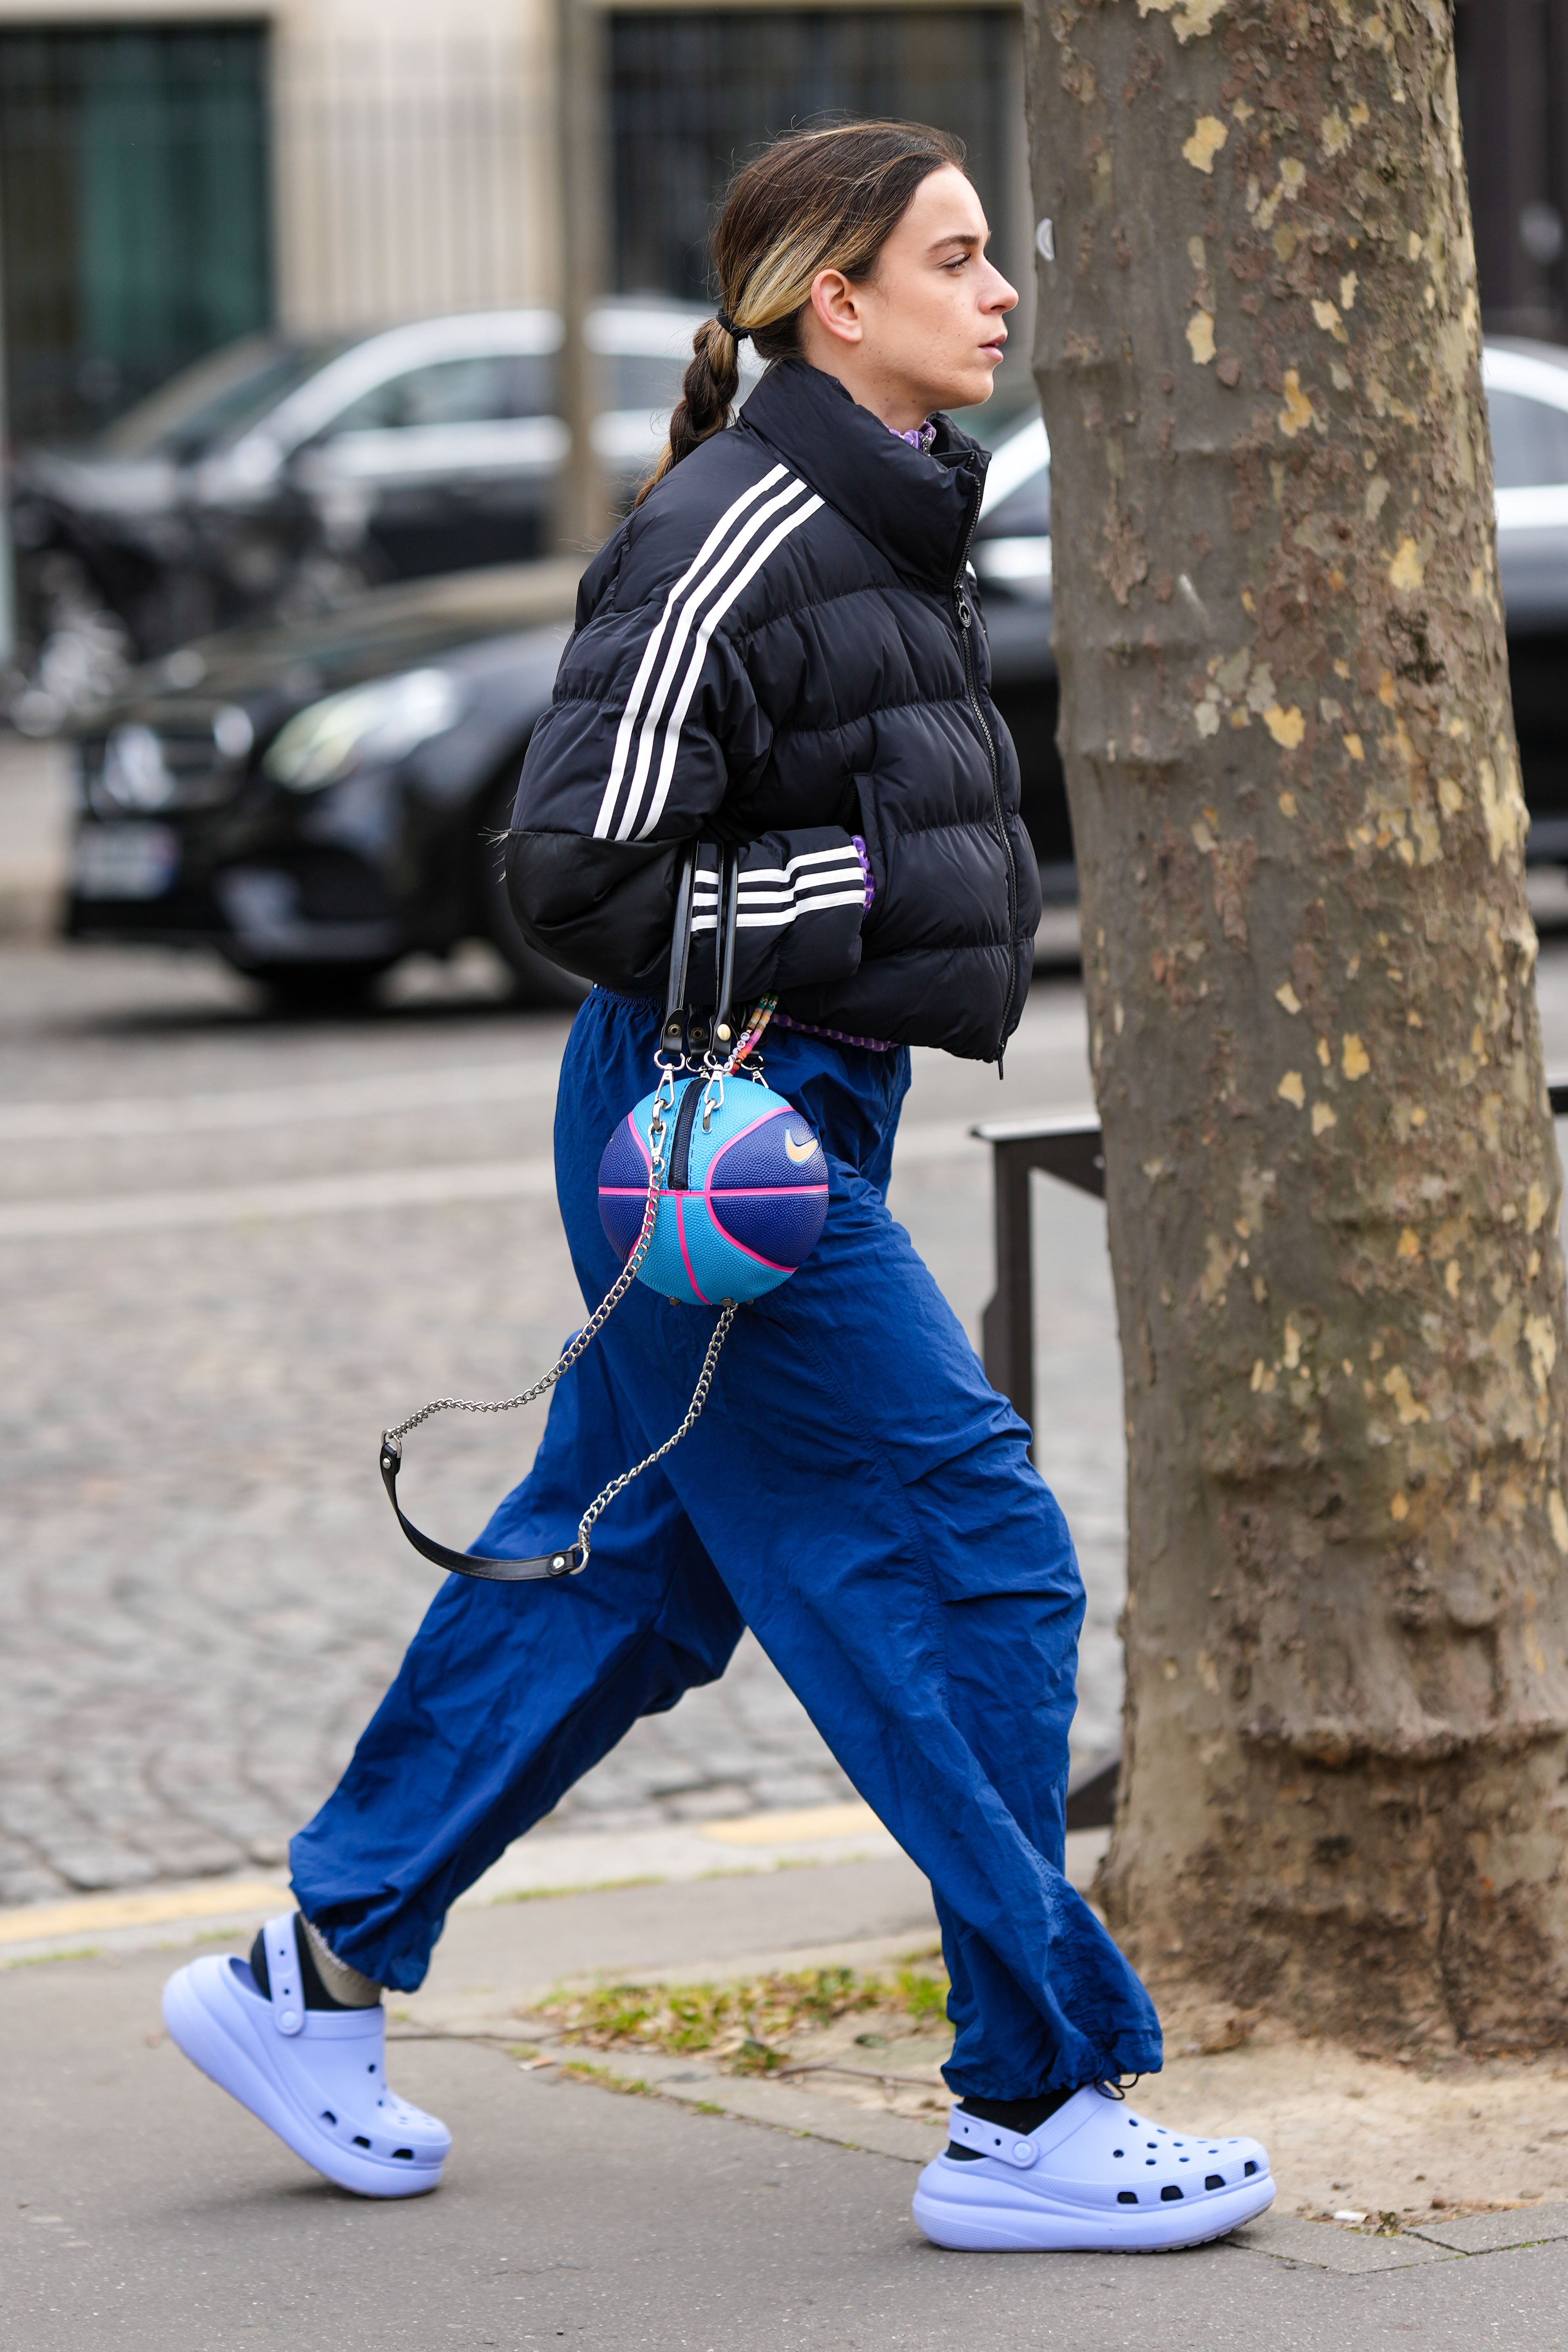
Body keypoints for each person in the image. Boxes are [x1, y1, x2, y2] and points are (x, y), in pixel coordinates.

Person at [163, 120, 1273, 2253]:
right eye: (955, 257)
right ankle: (1030, 2106)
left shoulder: (888, 509)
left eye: (994, 256)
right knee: (979, 1555)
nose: (1001, 290)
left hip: (788, 1115)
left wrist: (832, 938)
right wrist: (836, 896)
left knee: (633, 1574)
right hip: (706, 1128)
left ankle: (312, 1969)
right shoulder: (733, 529)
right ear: (830, 299)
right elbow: (572, 867)